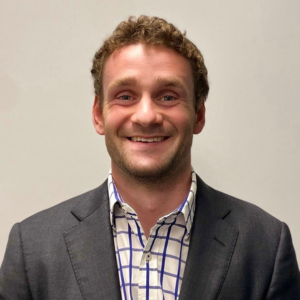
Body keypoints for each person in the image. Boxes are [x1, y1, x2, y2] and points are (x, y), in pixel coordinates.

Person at [0, 15, 299, 300]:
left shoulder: (266, 247)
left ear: (199, 114)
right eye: (126, 96)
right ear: (98, 114)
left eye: (168, 96)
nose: (146, 116)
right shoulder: (32, 250)